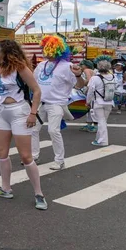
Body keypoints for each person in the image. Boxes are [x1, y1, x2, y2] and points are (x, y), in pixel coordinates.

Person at [0, 40, 47, 210]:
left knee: (26, 156)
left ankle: (39, 193)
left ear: (6, 52)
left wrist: (33, 113)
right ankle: (6, 188)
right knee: (0, 151)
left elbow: (36, 90)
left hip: (19, 111)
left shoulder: (19, 68)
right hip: (1, 112)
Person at [31, 35, 83, 170]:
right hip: (40, 103)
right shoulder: (41, 65)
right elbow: (33, 83)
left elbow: (80, 85)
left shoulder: (68, 66)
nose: (45, 51)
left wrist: (78, 75)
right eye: (44, 49)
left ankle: (59, 160)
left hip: (56, 104)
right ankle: (34, 156)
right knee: (32, 130)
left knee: (53, 131)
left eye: (47, 49)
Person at [86, 58, 116, 147]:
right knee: (103, 121)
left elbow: (90, 91)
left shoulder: (95, 78)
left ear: (98, 67)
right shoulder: (112, 76)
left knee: (101, 121)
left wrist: (88, 101)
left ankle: (103, 141)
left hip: (98, 102)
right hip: (109, 101)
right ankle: (98, 139)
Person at [77, 60, 98, 133]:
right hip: (93, 91)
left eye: (81, 65)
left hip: (90, 91)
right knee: (89, 109)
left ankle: (95, 126)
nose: (80, 67)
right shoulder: (92, 70)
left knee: (91, 108)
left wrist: (81, 84)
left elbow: (89, 80)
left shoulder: (86, 70)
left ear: (85, 65)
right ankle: (89, 125)